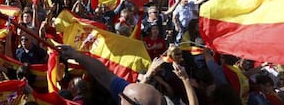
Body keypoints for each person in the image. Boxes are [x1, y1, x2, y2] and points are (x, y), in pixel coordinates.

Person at [58, 45, 198, 105]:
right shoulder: (130, 91)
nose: (119, 96)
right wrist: (76, 55)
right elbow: (104, 75)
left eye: (124, 100)